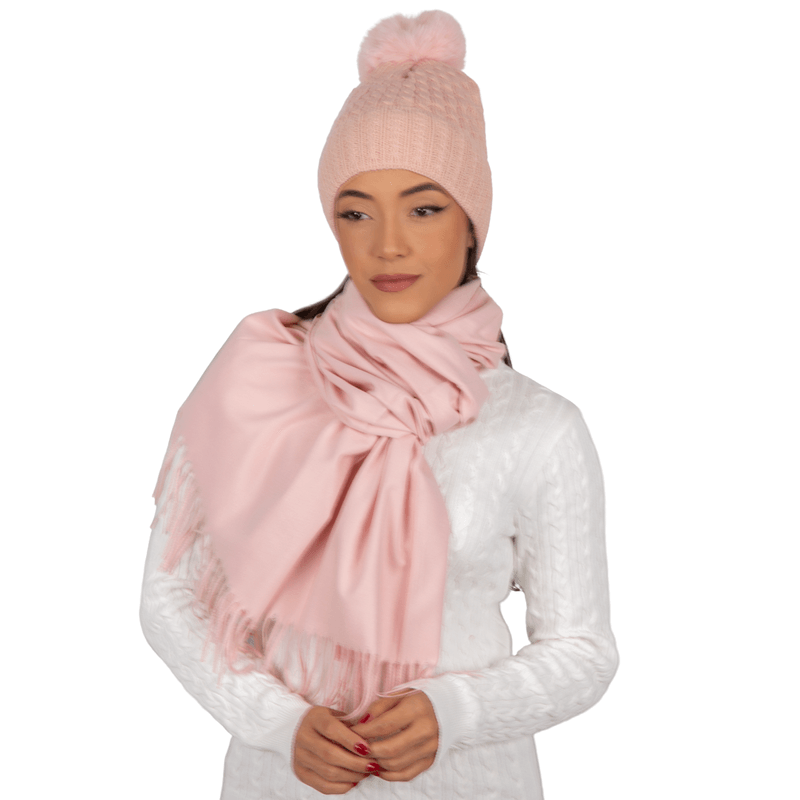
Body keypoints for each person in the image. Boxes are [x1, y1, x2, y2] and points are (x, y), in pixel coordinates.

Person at [140, 10, 618, 799]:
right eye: (356, 211)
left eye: (424, 208)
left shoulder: (537, 426)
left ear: (472, 221)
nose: (387, 243)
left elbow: (582, 650)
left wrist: (456, 710)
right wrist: (276, 721)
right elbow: (170, 594)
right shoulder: (262, 382)